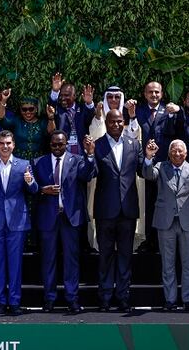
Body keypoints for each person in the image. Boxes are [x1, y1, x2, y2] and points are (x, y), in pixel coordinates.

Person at [142, 139, 189, 310]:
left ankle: (188, 300)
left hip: (187, 221)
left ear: (186, 154)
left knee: (188, 263)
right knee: (168, 264)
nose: (177, 153)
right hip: (165, 221)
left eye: (181, 151)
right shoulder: (161, 166)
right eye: (174, 150)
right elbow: (148, 175)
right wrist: (149, 157)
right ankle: (170, 300)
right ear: (169, 152)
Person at [0, 130, 39, 316]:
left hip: (16, 221)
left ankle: (14, 302)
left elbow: (34, 189)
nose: (5, 146)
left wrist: (30, 182)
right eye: (2, 143)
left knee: (15, 264)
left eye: (8, 143)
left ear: (13, 145)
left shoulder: (24, 165)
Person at [33, 130, 96, 313]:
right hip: (48, 219)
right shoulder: (39, 162)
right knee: (48, 260)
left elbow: (88, 175)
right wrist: (43, 190)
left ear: (67, 144)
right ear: (49, 144)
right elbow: (31, 188)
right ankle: (49, 299)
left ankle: (72, 298)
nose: (58, 147)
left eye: (61, 144)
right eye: (54, 144)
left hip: (71, 218)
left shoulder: (76, 160)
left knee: (71, 261)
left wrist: (90, 154)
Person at [93, 110, 142, 311]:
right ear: (107, 122)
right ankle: (104, 297)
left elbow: (143, 171)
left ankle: (123, 296)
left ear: (124, 122)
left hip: (127, 209)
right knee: (105, 256)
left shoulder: (134, 143)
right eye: (112, 121)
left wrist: (147, 158)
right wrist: (88, 155)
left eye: (119, 121)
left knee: (125, 256)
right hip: (105, 210)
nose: (115, 124)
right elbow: (90, 173)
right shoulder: (97, 145)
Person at [135, 81, 169, 254]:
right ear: (145, 93)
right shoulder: (138, 111)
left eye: (157, 92)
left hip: (165, 167)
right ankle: (148, 240)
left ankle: (163, 241)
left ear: (161, 94)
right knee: (147, 205)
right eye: (150, 92)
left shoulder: (170, 112)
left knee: (163, 205)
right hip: (144, 166)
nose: (154, 95)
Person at [46, 72, 95, 156]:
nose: (63, 98)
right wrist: (55, 91)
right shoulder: (58, 110)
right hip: (63, 153)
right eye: (61, 95)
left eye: (67, 95)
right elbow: (50, 107)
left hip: (81, 153)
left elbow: (90, 118)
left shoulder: (82, 109)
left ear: (74, 96)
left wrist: (89, 103)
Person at [163, 89, 189, 160]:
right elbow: (169, 132)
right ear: (184, 102)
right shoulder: (178, 118)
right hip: (182, 161)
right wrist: (179, 109)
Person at [3, 96, 47, 161]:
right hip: (18, 160)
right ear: (20, 110)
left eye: (31, 109)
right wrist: (3, 100)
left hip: (38, 161)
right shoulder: (17, 121)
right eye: (24, 109)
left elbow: (51, 133)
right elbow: (2, 120)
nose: (27, 112)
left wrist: (51, 118)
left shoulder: (42, 122)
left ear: (36, 109)